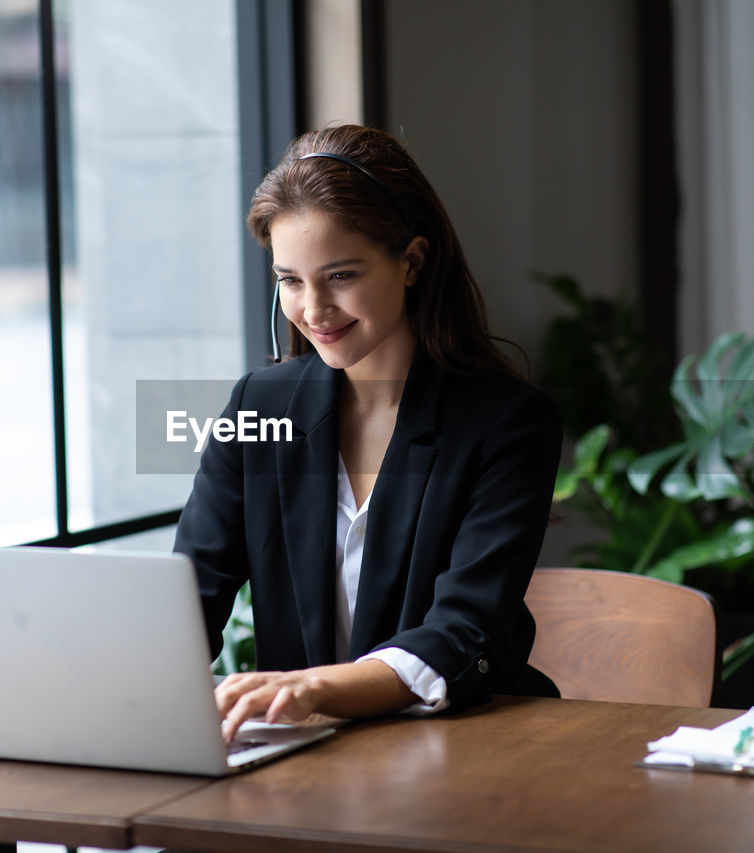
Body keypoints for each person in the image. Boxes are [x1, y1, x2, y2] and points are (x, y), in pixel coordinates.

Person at [173, 124, 561, 743]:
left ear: (411, 261)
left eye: (342, 275)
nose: (314, 310)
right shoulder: (258, 404)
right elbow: (189, 595)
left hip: (467, 747)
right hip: (304, 751)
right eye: (290, 281)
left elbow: (466, 631)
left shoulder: (506, 422)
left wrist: (313, 688)